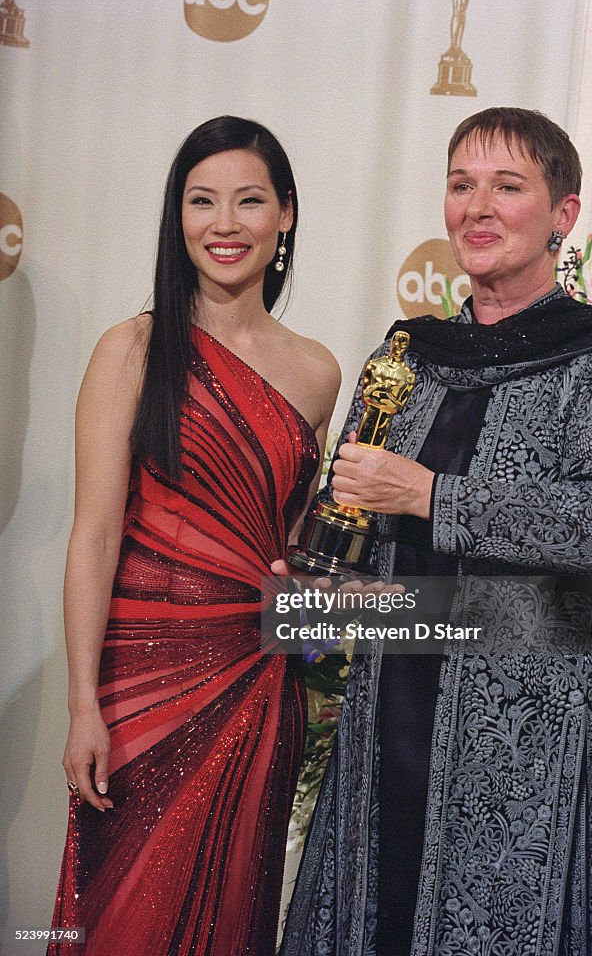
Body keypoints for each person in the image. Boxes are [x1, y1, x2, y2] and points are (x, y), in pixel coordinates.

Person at [279, 108, 592, 955]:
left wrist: (430, 494)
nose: (477, 207)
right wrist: (324, 582)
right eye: (461, 185)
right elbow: (357, 521)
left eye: (507, 186)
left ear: (563, 215)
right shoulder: (408, 356)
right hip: (391, 712)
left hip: (530, 745)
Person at [48, 115, 340, 956]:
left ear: (283, 214)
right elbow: (95, 536)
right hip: (137, 690)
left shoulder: (318, 372)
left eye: (248, 201)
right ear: (178, 219)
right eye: (201, 201)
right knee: (118, 920)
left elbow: (286, 547)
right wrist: (80, 707)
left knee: (230, 918)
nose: (224, 223)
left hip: (256, 688)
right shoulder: (132, 349)